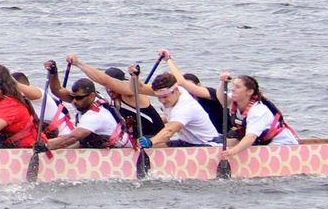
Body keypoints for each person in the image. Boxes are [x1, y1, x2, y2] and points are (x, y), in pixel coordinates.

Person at [70, 59, 220, 146]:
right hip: (185, 142)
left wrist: (151, 143)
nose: (161, 100)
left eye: (164, 97)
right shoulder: (168, 92)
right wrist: (135, 76)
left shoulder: (185, 107)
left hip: (206, 146)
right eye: (158, 97)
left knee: (152, 146)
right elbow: (140, 87)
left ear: (175, 91)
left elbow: (168, 132)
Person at [220, 73, 299, 158]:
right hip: (262, 141)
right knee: (219, 142)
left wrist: (232, 152)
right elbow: (221, 99)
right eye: (233, 86)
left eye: (237, 87)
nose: (233, 89)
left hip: (283, 143)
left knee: (239, 148)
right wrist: (222, 82)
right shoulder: (235, 100)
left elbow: (251, 138)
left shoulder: (257, 111)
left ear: (249, 92)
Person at [43, 81, 131, 150]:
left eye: (79, 98)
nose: (74, 101)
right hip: (103, 144)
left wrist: (45, 145)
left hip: (121, 150)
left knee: (73, 141)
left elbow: (73, 137)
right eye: (73, 97)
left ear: (91, 96)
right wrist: (53, 72)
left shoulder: (94, 116)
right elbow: (57, 90)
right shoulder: (92, 98)